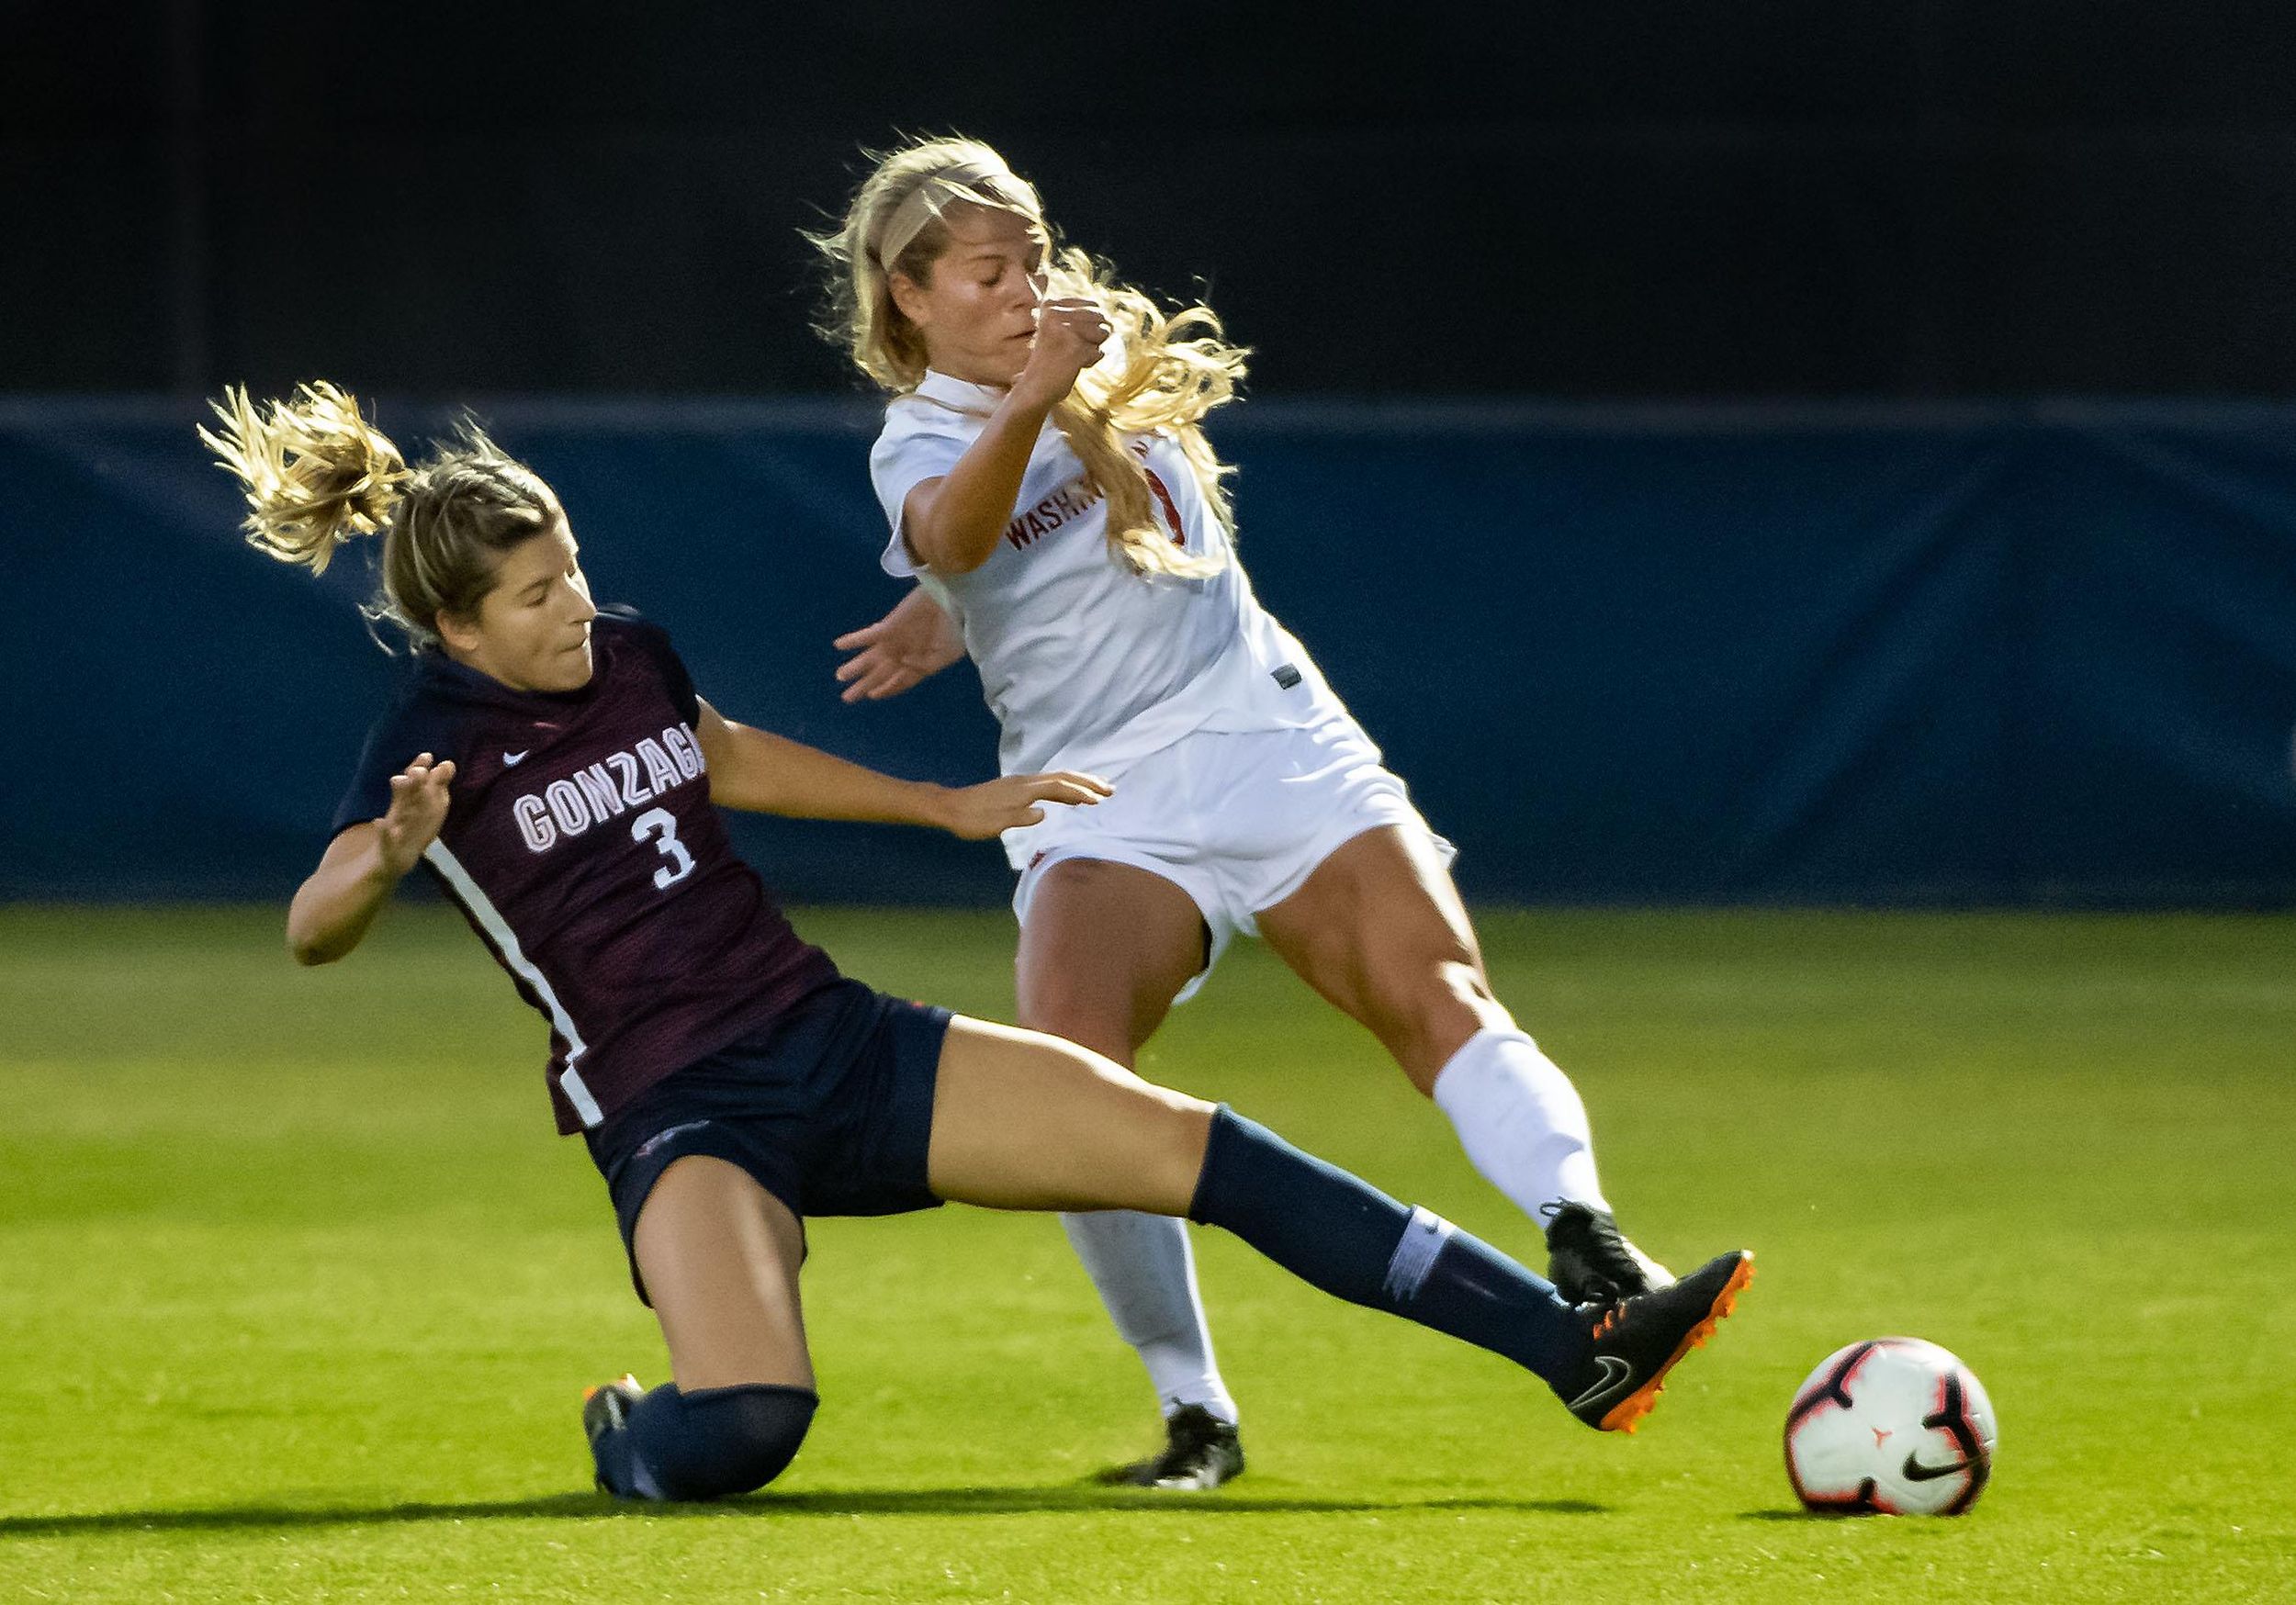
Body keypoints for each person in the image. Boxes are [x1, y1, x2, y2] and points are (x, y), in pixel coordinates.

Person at [199, 381, 1752, 1503]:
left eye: (577, 572)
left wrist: (947, 809)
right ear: (459, 630)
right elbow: (310, 927)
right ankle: (632, 1433)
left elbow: (728, 756)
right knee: (746, 1428)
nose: (576, 609)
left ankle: (1576, 1351)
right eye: (538, 598)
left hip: (832, 1042)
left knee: (1195, 1149)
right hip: (680, 1109)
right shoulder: (432, 737)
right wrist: (389, 858)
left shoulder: (629, 658)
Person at [812, 137, 1683, 1487]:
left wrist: (956, 591)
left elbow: (1028, 541)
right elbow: (959, 532)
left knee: (1432, 984)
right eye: (988, 273)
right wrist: (955, 572)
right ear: (907, 298)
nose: (1024, 287)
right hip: (1103, 794)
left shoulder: (1091, 358)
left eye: (1033, 258)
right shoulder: (922, 434)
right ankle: (1196, 1413)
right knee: (1075, 1076)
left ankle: (1595, 1247)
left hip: (1265, 732)